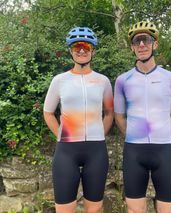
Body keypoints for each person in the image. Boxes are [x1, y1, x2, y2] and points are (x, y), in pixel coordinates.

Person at [114, 21, 171, 213]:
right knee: (134, 209)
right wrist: (133, 136)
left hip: (164, 152)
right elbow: (119, 117)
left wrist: (164, 139)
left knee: (169, 210)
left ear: (155, 44)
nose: (141, 45)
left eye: (146, 40)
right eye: (137, 41)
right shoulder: (122, 80)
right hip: (134, 152)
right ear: (132, 47)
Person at [43, 27, 114, 213]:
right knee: (65, 209)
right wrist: (60, 132)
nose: (81, 50)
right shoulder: (59, 80)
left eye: (86, 46)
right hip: (67, 151)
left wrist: (99, 133)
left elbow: (109, 113)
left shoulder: (103, 81)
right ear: (70, 50)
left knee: (95, 208)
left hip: (96, 150)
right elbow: (48, 112)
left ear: (93, 50)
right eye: (76, 46)